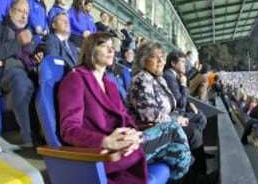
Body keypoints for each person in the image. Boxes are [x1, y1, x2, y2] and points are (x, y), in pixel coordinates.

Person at [58, 33, 191, 183]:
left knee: (182, 154)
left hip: (126, 145)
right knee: (173, 128)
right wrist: (105, 141)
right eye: (104, 46)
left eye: (111, 47)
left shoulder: (110, 84)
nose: (111, 50)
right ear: (90, 50)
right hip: (104, 153)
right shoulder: (75, 79)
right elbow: (69, 130)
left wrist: (134, 134)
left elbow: (126, 118)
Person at [127, 42, 217, 182]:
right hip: (151, 129)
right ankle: (198, 176)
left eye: (162, 57)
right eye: (155, 58)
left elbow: (172, 106)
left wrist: (178, 117)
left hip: (166, 122)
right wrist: (176, 120)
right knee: (193, 133)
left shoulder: (159, 79)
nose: (161, 61)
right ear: (143, 60)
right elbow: (149, 115)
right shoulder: (141, 80)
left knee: (194, 128)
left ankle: (197, 173)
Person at [0, 0, 44, 144]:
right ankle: (29, 139)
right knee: (20, 80)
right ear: (11, 12)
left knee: (44, 83)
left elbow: (30, 59)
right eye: (20, 11)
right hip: (5, 73)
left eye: (27, 13)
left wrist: (37, 59)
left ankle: (48, 136)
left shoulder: (29, 35)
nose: (24, 16)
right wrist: (17, 42)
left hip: (27, 73)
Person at [163, 51, 207, 132]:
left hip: (181, 110)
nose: (185, 65)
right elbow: (180, 103)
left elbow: (182, 98)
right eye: (182, 62)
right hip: (176, 114)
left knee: (200, 113)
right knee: (201, 118)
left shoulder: (174, 75)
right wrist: (183, 84)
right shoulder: (169, 76)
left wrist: (189, 103)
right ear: (173, 63)